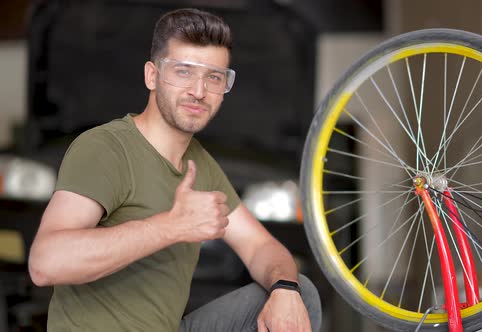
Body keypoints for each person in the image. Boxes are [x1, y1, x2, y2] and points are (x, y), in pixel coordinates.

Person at [27, 7, 321, 332]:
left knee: (299, 292)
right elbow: (45, 264)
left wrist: (284, 289)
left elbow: (260, 247)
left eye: (213, 77)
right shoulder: (106, 148)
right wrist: (171, 226)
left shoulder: (201, 166)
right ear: (151, 75)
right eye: (183, 71)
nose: (198, 90)